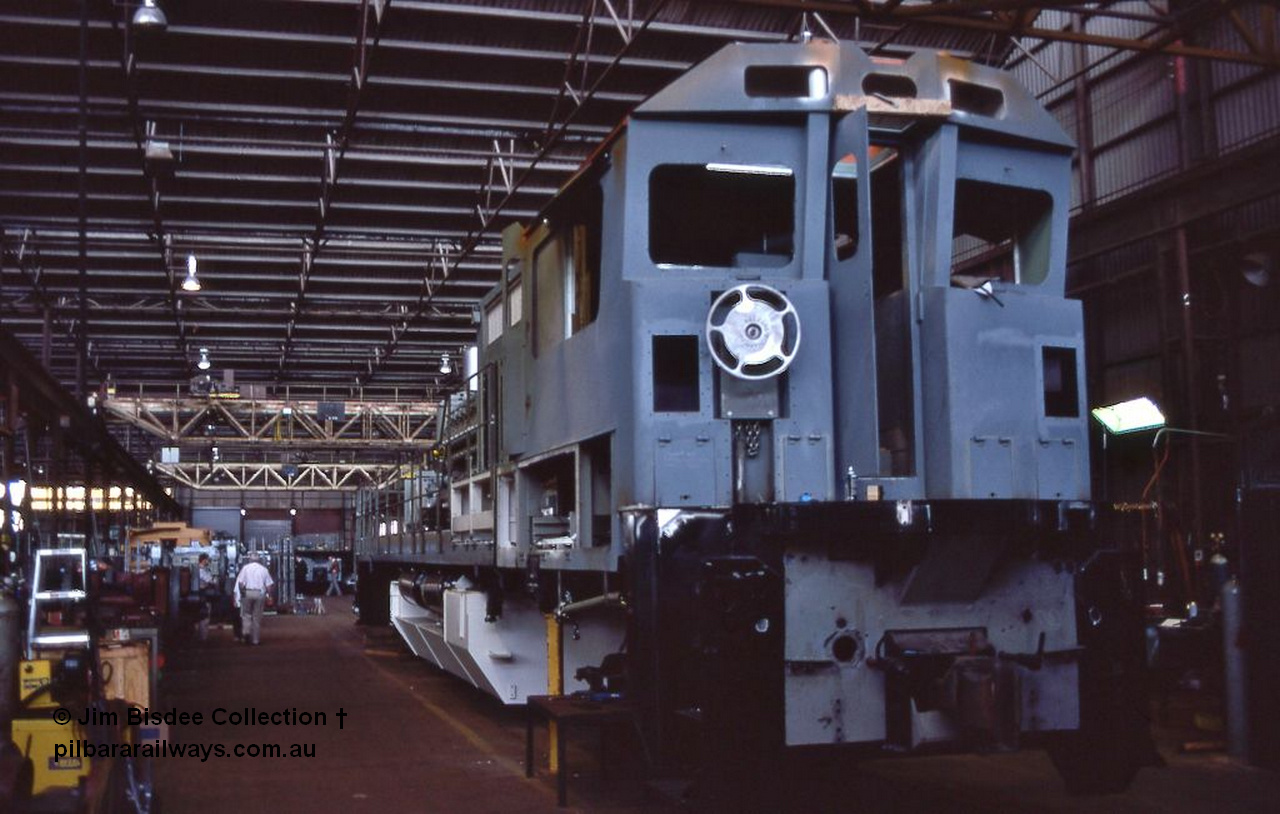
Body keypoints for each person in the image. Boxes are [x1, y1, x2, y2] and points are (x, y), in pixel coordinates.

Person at [234, 553, 274, 645]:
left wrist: (242, 593)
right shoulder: (264, 569)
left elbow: (240, 583)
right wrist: (269, 596)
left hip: (248, 592)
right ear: (259, 560)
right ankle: (256, 640)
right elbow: (269, 585)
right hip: (260, 593)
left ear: (250, 560)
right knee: (257, 617)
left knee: (246, 615)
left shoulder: (245, 568)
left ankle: (246, 633)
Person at [196, 553, 217, 642]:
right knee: (204, 617)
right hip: (204, 597)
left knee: (202, 616)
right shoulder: (202, 571)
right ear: (204, 560)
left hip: (199, 597)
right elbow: (212, 581)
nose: (208, 562)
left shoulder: (196, 570)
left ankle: (201, 636)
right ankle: (203, 637)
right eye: (208, 560)